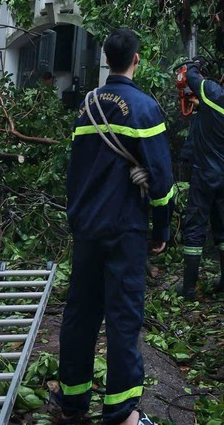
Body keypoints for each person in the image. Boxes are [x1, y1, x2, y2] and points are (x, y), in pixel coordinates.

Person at [50, 27, 173, 425]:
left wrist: (77, 217)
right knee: (122, 317)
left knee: (81, 313)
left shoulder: (86, 106)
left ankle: (72, 402)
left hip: (87, 228)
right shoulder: (143, 108)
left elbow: (76, 171)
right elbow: (163, 182)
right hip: (124, 230)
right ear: (136, 59)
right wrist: (162, 230)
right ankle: (122, 414)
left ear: (106, 60)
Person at [176, 56, 224, 300]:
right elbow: (216, 116)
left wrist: (194, 63)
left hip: (205, 172)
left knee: (195, 224)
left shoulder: (211, 91)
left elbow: (191, 76)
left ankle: (189, 287)